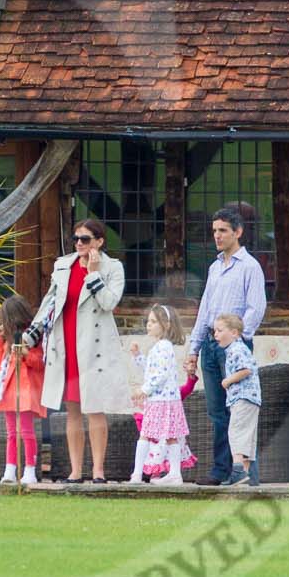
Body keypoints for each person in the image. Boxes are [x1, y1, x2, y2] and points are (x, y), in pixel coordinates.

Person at [29, 216, 129, 484]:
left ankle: (98, 470)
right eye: (75, 239)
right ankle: (75, 471)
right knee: (72, 410)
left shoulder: (113, 268)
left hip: (94, 349)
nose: (79, 244)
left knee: (94, 408)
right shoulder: (63, 265)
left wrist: (94, 273)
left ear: (99, 241)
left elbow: (109, 303)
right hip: (67, 344)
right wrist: (33, 332)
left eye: (85, 239)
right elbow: (50, 302)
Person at [187, 207, 266, 485]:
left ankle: (246, 474)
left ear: (238, 232)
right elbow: (205, 309)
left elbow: (256, 308)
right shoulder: (214, 266)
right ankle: (222, 471)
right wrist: (193, 349)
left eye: (223, 231)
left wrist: (236, 339)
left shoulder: (249, 266)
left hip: (234, 348)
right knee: (217, 412)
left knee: (239, 409)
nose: (217, 236)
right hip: (210, 343)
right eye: (215, 231)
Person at [132, 303, 196, 485]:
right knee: (169, 436)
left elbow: (161, 374)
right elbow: (152, 370)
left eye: (153, 321)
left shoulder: (164, 347)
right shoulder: (158, 347)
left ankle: (138, 474)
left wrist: (144, 390)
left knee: (148, 434)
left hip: (162, 401)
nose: (149, 325)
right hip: (163, 400)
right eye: (148, 321)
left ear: (166, 325)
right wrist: (138, 357)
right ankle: (173, 474)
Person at [0, 294, 45, 484]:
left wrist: (25, 354)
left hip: (26, 391)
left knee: (27, 432)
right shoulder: (8, 340)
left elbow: (39, 363)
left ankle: (29, 470)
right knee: (11, 433)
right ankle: (10, 470)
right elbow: (1, 363)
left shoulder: (33, 339)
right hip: (9, 391)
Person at [215, 312, 261, 487]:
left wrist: (228, 380)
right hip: (250, 399)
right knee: (247, 435)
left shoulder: (237, 349)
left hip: (243, 397)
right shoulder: (237, 349)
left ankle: (238, 471)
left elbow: (245, 370)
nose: (216, 335)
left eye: (220, 330)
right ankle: (247, 475)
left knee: (236, 433)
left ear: (234, 333)